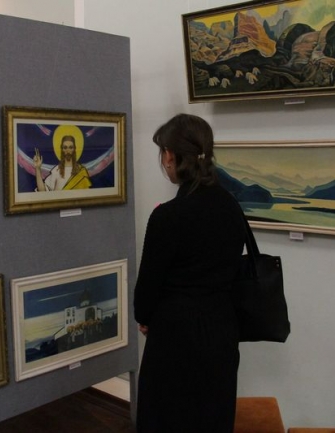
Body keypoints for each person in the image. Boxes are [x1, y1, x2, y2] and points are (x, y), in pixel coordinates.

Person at [134, 113, 247, 433]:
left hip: (175, 335)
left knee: (167, 419)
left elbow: (146, 290)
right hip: (221, 329)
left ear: (171, 156)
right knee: (212, 417)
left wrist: (146, 317)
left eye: (162, 153)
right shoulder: (232, 206)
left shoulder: (167, 217)